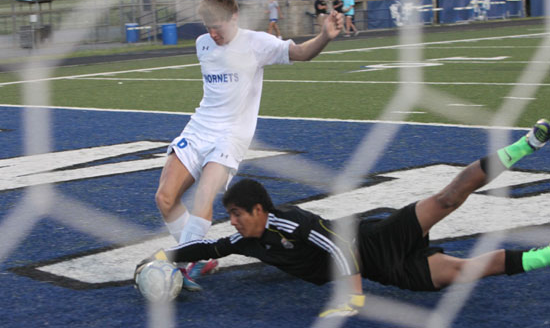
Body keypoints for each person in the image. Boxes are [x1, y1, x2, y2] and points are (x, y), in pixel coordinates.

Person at [139, 119, 550, 316]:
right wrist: (165, 257)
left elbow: (338, 246)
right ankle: (545, 257)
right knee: (463, 271)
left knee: (446, 199)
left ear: (260, 210)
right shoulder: (245, 240)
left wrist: (351, 298)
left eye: (236, 214)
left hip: (373, 241)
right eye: (229, 215)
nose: (232, 222)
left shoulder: (289, 221)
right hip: (386, 271)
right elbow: (207, 246)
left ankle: (526, 144)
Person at [154, 0, 344, 291]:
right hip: (199, 128)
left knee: (204, 196)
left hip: (231, 135)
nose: (213, 33)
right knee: (165, 198)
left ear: (235, 17)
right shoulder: (202, 44)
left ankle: (178, 267)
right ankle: (201, 254)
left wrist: (325, 36)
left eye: (219, 26)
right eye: (208, 27)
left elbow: (301, 53)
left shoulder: (257, 43)